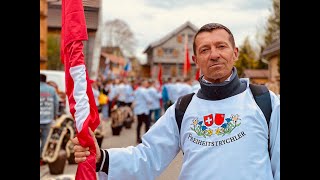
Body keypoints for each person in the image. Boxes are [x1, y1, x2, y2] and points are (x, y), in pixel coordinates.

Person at [71, 22, 280, 180]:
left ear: (234, 53)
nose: (214, 55)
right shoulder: (182, 108)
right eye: (205, 50)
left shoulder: (265, 102)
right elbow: (148, 156)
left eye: (221, 46)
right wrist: (102, 158)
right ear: (195, 60)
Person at [40, 73, 59, 165]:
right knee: (45, 139)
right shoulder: (52, 90)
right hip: (47, 118)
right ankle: (42, 158)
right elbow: (56, 103)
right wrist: (55, 115)